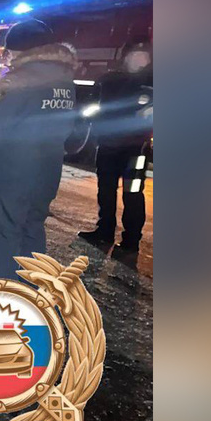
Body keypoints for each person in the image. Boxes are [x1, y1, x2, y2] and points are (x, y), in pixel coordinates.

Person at [0, 19, 78, 279]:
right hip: (48, 171)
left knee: (6, 234)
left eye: (10, 50)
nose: (8, 56)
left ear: (22, 51)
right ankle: (34, 289)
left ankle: (7, 292)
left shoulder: (17, 80)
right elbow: (68, 128)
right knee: (33, 230)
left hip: (15, 172)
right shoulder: (65, 80)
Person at [78, 39, 153, 263]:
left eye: (145, 56)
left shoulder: (153, 82)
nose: (140, 59)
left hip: (135, 149)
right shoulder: (110, 80)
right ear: (126, 56)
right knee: (106, 190)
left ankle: (131, 243)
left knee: (133, 194)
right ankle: (104, 233)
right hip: (108, 145)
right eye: (136, 54)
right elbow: (94, 106)